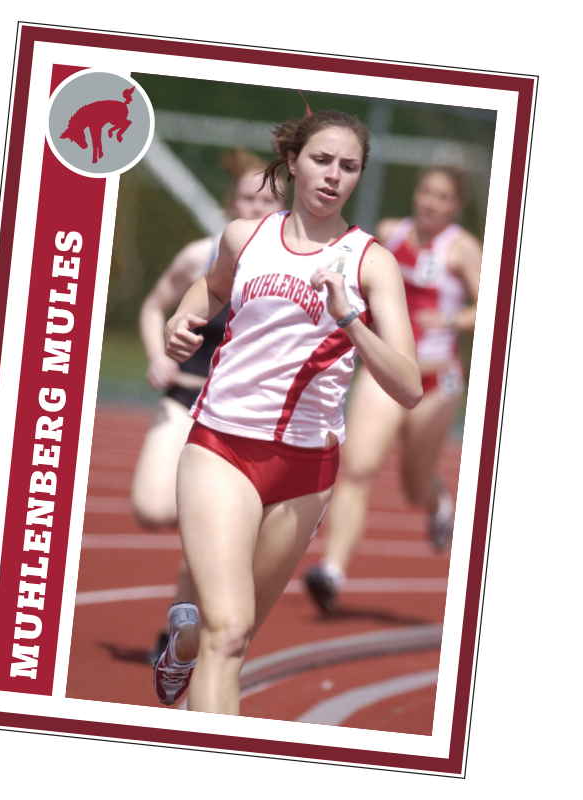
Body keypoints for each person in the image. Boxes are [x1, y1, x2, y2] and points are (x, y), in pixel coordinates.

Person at [152, 108, 423, 715]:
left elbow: (408, 385)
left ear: (360, 176)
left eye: (348, 167)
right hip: (221, 446)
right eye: (322, 160)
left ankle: (183, 649)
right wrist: (180, 319)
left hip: (307, 468)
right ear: (294, 161)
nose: (333, 176)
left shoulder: (370, 263)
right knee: (226, 628)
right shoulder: (243, 238)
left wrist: (350, 317)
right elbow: (213, 288)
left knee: (237, 639)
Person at [303, 166, 482, 613]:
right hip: (387, 369)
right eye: (425, 190)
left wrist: (451, 320)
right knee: (359, 467)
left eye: (442, 197)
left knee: (413, 484)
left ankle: (438, 500)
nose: (430, 202)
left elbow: (496, 305)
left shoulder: (461, 249)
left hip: (436, 379)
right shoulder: (389, 232)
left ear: (455, 206)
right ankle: (332, 570)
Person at [132, 150, 285, 664]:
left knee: (210, 519)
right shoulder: (202, 255)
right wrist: (158, 353)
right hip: (186, 391)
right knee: (154, 507)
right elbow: (156, 305)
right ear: (230, 201)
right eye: (248, 197)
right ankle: (203, 537)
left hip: (236, 411)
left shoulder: (292, 267)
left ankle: (179, 628)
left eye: (268, 200)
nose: (256, 206)